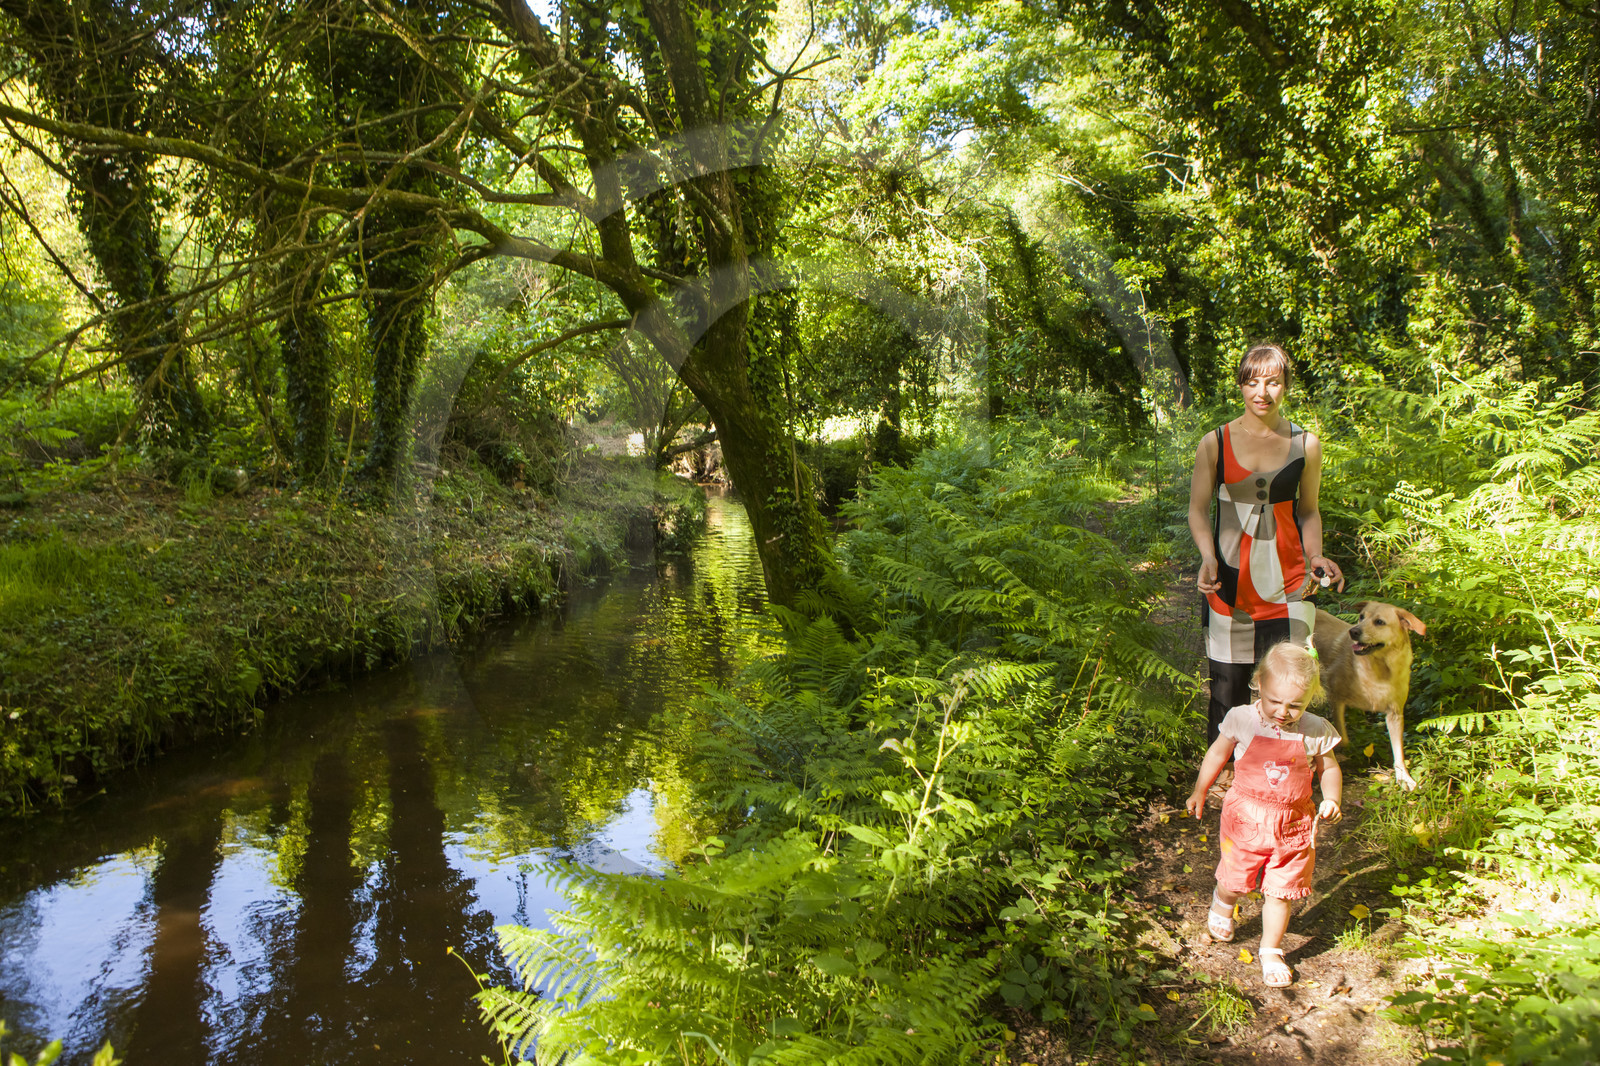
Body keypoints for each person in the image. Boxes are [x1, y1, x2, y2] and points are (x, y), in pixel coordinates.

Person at [1187, 342, 1344, 747]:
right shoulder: (1215, 443)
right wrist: (1207, 558)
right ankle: (1225, 770)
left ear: (1286, 386)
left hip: (1290, 580)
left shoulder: (1306, 444)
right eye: (1252, 382)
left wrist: (1316, 556)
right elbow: (1197, 510)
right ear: (1240, 385)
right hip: (1229, 580)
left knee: (1291, 683)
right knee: (1227, 683)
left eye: (1273, 382)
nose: (1262, 392)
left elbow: (1309, 510)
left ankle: (1289, 766)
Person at [1185, 641, 1342, 987]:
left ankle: (1271, 949)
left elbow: (1328, 767)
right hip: (1245, 818)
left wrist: (1331, 797)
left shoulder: (1314, 729)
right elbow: (1217, 754)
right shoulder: (1243, 719)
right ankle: (1223, 904)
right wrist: (1200, 789)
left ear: (1310, 699)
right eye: (1275, 701)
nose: (1283, 712)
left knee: (1281, 890)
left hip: (1293, 824)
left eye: (1295, 705)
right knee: (1235, 875)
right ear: (1258, 684)